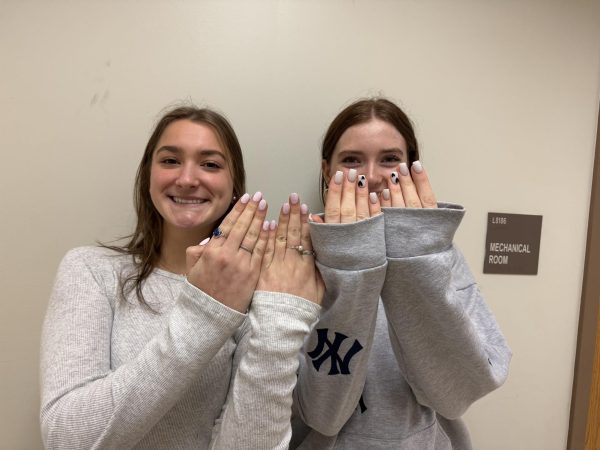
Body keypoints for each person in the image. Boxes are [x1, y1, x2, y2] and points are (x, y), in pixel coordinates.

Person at [40, 105, 323, 449]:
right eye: (170, 160)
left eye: (210, 164)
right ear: (148, 176)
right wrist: (204, 313)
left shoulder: (257, 292)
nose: (187, 179)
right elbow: (66, 438)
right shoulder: (90, 270)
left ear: (234, 185)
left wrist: (281, 321)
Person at [291, 97, 512, 449]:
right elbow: (322, 414)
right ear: (325, 170)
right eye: (351, 160)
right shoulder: (297, 255)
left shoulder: (441, 256)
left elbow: (456, 396)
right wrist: (351, 266)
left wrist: (417, 261)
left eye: (390, 159)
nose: (372, 175)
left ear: (411, 166)